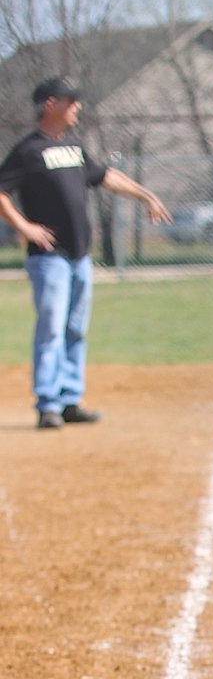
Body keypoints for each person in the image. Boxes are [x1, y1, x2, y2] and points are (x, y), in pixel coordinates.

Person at [0, 76, 171, 428]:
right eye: (69, 100)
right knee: (51, 329)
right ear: (50, 104)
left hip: (79, 256)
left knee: (75, 328)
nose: (76, 106)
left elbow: (106, 176)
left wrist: (146, 195)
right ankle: (47, 403)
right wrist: (24, 227)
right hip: (49, 258)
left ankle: (69, 400)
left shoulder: (74, 147)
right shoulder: (28, 150)